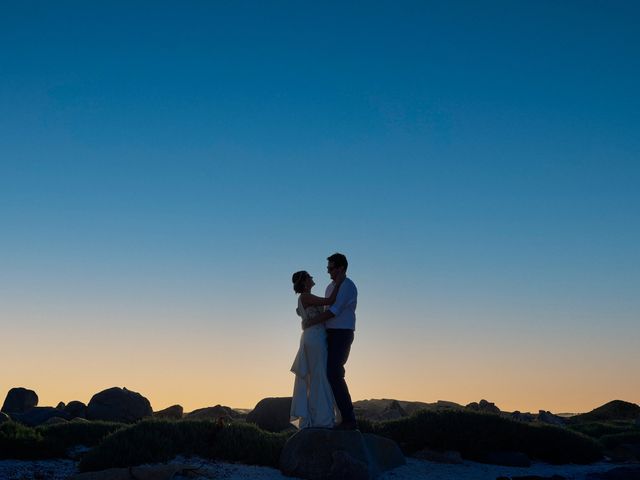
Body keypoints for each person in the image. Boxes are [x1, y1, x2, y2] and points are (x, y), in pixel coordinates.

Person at [302, 253, 358, 430]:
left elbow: (334, 310)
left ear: (340, 268)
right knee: (326, 374)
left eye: (331, 267)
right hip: (328, 334)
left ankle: (349, 418)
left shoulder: (348, 286)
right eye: (328, 268)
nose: (328, 271)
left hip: (342, 334)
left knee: (334, 372)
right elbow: (327, 309)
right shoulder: (330, 287)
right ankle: (331, 415)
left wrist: (311, 322)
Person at [289, 270, 342, 428]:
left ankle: (317, 416)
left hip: (313, 336)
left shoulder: (304, 298)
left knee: (316, 376)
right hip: (315, 338)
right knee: (319, 375)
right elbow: (331, 300)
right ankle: (322, 419)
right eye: (309, 277)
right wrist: (339, 283)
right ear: (305, 282)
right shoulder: (305, 296)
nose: (312, 278)